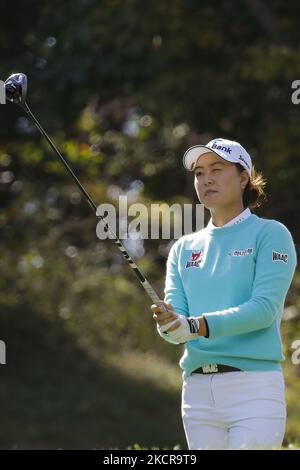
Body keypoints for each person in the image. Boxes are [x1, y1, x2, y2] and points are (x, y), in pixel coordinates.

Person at [151, 138, 297, 450]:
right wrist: (168, 323)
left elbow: (263, 310)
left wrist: (195, 325)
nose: (207, 180)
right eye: (199, 173)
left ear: (244, 177)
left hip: (254, 387)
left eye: (217, 169)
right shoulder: (182, 249)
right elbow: (177, 329)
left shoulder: (270, 235)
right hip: (198, 393)